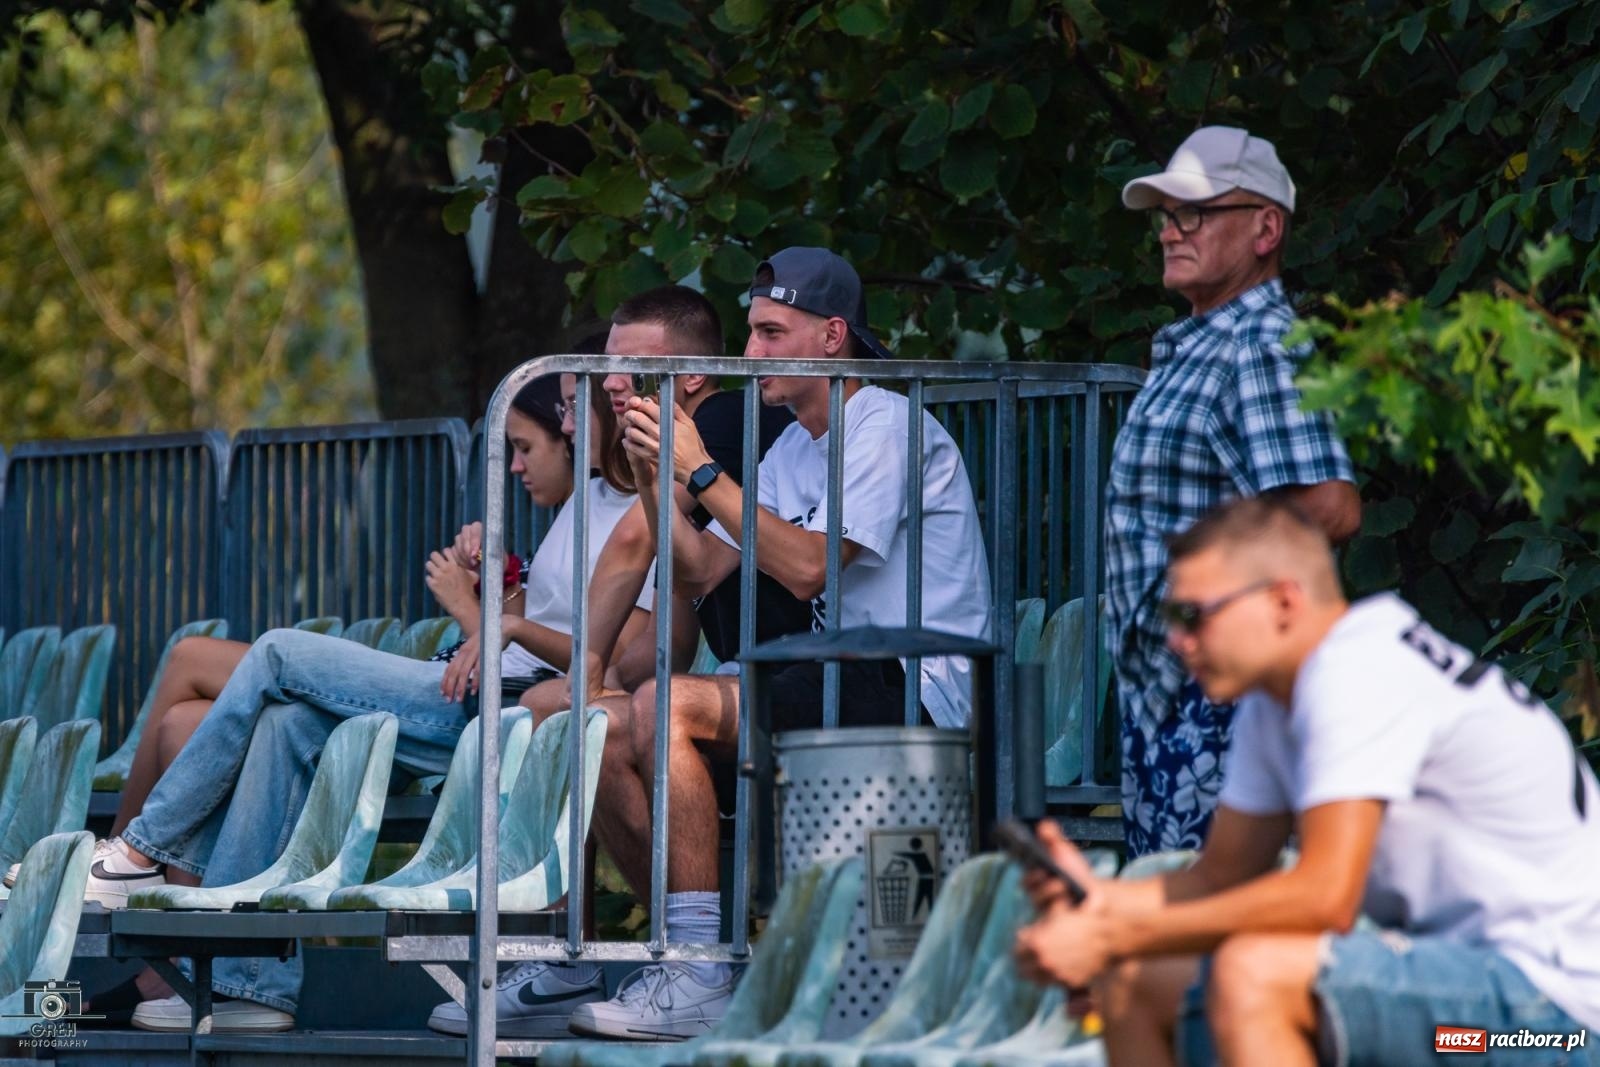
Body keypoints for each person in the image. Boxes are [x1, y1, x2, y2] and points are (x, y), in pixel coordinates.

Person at [88, 376, 647, 1033]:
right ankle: (249, 982)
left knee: (276, 654)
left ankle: (136, 852)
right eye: (570, 405)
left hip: (501, 705)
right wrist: (500, 583)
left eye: (579, 407)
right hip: (474, 685)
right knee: (281, 723)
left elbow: (620, 655)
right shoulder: (591, 502)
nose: (574, 419)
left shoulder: (644, 513)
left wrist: (500, 622)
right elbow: (532, 626)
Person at [548, 246, 993, 1041]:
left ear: (830, 337)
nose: (747, 355)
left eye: (767, 333)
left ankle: (697, 969)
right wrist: (661, 477)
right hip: (833, 674)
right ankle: (692, 957)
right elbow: (705, 569)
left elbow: (803, 571)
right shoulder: (794, 443)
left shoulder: (884, 422)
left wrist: (703, 472)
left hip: (912, 684)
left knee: (665, 705)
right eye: (748, 334)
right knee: (607, 724)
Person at [1013, 496, 1600, 1067]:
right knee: (1135, 981)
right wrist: (1096, 904)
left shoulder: (1354, 670)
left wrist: (1115, 932)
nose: (1176, 640)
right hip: (1462, 998)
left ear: (1283, 602)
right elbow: (1219, 877)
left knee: (1254, 974)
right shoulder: (1275, 698)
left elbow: (1324, 898)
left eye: (1193, 615)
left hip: (1552, 1029)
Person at [427, 284, 813, 1040]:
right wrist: (589, 674)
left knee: (599, 714)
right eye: (605, 367)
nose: (608, 384)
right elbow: (667, 567)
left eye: (628, 367)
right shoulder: (673, 438)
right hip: (760, 678)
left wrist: (584, 667)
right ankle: (668, 960)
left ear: (690, 379)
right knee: (584, 720)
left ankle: (693, 963)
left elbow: (650, 550)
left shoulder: (724, 421)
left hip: (813, 680)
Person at [1105, 125, 1361, 856]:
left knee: (1220, 936)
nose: (1170, 232)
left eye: (1195, 213)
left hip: (1225, 699)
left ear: (1264, 229)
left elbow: (1332, 505)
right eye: (1165, 215)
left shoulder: (1260, 343)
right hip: (1173, 696)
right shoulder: (1202, 343)